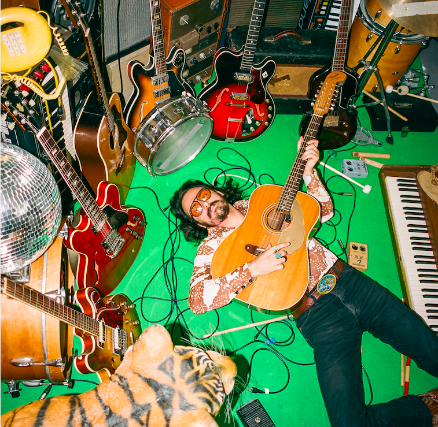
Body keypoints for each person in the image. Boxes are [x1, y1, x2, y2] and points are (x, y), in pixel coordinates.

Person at [170, 138, 438, 427]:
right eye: (195, 209)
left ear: (217, 191)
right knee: (348, 424)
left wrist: (310, 172)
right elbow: (197, 301)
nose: (204, 204)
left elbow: (324, 211)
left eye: (204, 195)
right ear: (198, 223)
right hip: (318, 318)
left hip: (352, 284)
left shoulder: (264, 198)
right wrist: (251, 270)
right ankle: (428, 407)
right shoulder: (211, 249)